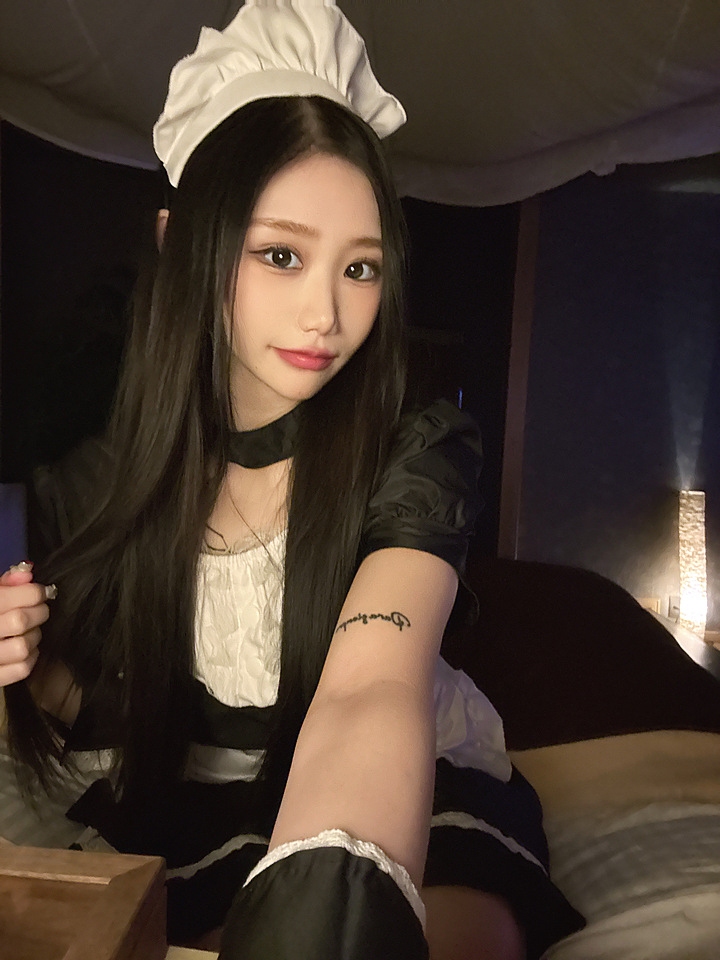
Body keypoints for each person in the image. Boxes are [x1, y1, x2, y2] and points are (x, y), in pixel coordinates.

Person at [0, 3, 583, 957]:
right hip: (197, 798)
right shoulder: (98, 474)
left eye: (362, 268)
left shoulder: (420, 451)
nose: (326, 314)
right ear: (180, 241)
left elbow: (371, 690)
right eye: (282, 255)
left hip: (398, 778)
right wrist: (21, 665)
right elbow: (98, 693)